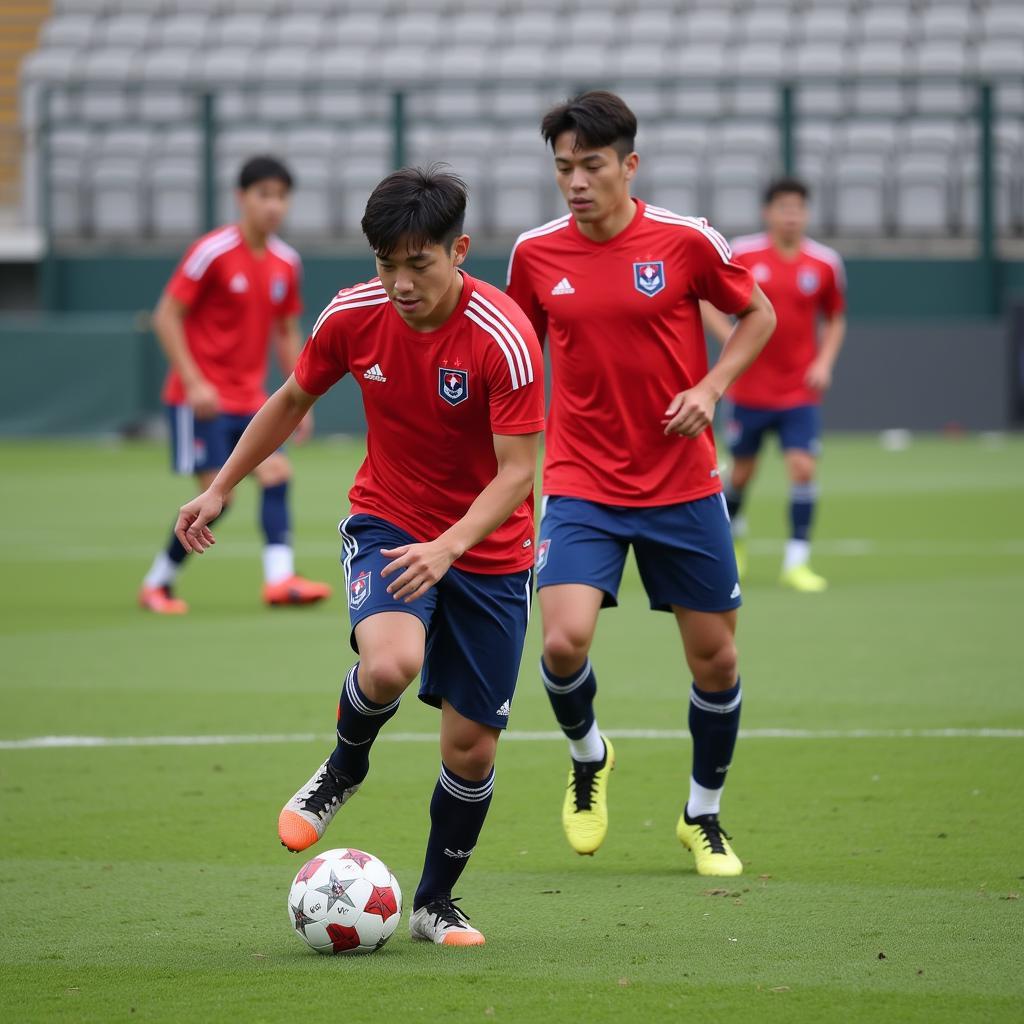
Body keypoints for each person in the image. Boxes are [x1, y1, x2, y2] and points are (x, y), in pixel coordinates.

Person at [174, 166, 544, 946]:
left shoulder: (503, 336)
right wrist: (219, 487)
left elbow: (518, 474)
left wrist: (450, 547)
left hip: (488, 548)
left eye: (420, 263)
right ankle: (344, 767)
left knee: (469, 748)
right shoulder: (352, 314)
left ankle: (434, 903)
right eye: (386, 263)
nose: (401, 282)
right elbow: (290, 400)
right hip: (389, 519)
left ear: (460, 250)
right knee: (387, 665)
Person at [506, 91, 776, 877]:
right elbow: (512, 357)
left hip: (683, 483)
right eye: (563, 168)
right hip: (581, 479)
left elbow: (756, 315)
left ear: (629, 164)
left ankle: (703, 815)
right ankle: (589, 756)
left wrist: (712, 387)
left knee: (716, 662)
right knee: (561, 642)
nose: (576, 182)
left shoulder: (686, 241)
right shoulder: (535, 254)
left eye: (591, 166)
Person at [139, 155, 332, 614]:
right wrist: (194, 381)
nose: (274, 206)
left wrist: (300, 401)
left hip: (249, 400)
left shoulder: (287, 262)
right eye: (264, 195)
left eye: (282, 196)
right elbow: (167, 315)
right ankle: (157, 583)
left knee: (278, 474)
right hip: (200, 401)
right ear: (241, 198)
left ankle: (280, 580)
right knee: (217, 498)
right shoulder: (213, 251)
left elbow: (286, 332)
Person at [701, 178, 847, 592]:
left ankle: (797, 561)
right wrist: (731, 344)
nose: (791, 215)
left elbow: (836, 316)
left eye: (798, 208)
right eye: (783, 207)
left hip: (800, 390)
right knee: (741, 475)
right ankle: (738, 542)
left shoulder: (824, 263)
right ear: (768, 212)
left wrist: (824, 361)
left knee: (803, 468)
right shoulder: (743, 253)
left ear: (806, 213)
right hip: (749, 389)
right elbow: (706, 297)